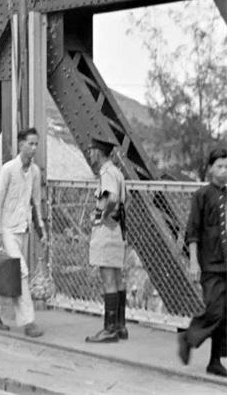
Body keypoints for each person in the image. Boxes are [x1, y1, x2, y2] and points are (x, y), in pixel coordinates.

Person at [0, 128, 46, 338]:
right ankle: (28, 322)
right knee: (21, 272)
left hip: (23, 228)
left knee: (9, 274)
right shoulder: (8, 169)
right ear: (21, 145)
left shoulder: (35, 172)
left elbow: (36, 201)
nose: (34, 148)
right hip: (6, 230)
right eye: (30, 143)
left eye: (36, 144)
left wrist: (41, 227)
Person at [179, 148, 227, 377]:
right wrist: (194, 262)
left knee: (224, 314)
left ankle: (215, 361)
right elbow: (193, 231)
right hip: (210, 264)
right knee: (215, 310)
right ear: (210, 168)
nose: (224, 171)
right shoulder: (202, 195)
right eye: (219, 166)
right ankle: (188, 337)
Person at [85, 137, 128, 343]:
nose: (89, 153)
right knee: (117, 278)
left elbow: (110, 198)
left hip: (107, 229)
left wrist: (102, 216)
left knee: (108, 279)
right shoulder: (117, 172)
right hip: (117, 229)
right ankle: (120, 326)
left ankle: (109, 329)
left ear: (98, 152)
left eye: (91, 150)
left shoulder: (106, 173)